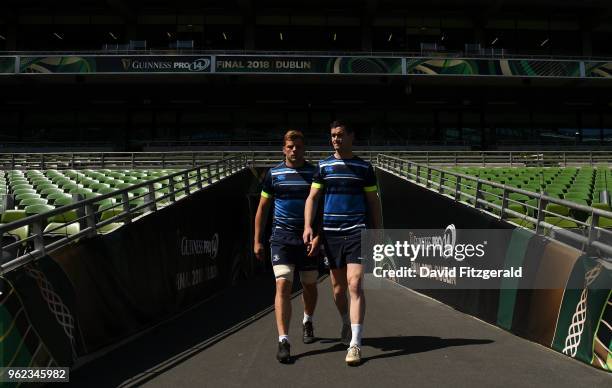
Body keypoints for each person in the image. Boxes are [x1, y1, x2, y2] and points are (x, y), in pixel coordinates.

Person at [303, 120, 382, 366]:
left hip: (356, 232)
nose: (335, 139)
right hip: (330, 235)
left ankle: (355, 344)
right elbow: (313, 198)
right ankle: (346, 322)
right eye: (332, 136)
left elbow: (373, 201)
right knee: (338, 289)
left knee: (355, 284)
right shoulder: (323, 167)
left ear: (351, 136)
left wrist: (378, 231)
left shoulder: (364, 168)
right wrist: (308, 226)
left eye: (340, 135)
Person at [254, 130, 320, 364]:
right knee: (283, 284)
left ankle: (308, 320)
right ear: (284, 149)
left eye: (299, 146)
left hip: (308, 239)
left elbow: (321, 208)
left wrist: (317, 236)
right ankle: (283, 340)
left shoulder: (315, 172)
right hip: (281, 238)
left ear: (304, 149)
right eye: (290, 146)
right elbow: (262, 209)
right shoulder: (273, 174)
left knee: (309, 285)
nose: (294, 150)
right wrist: (257, 240)